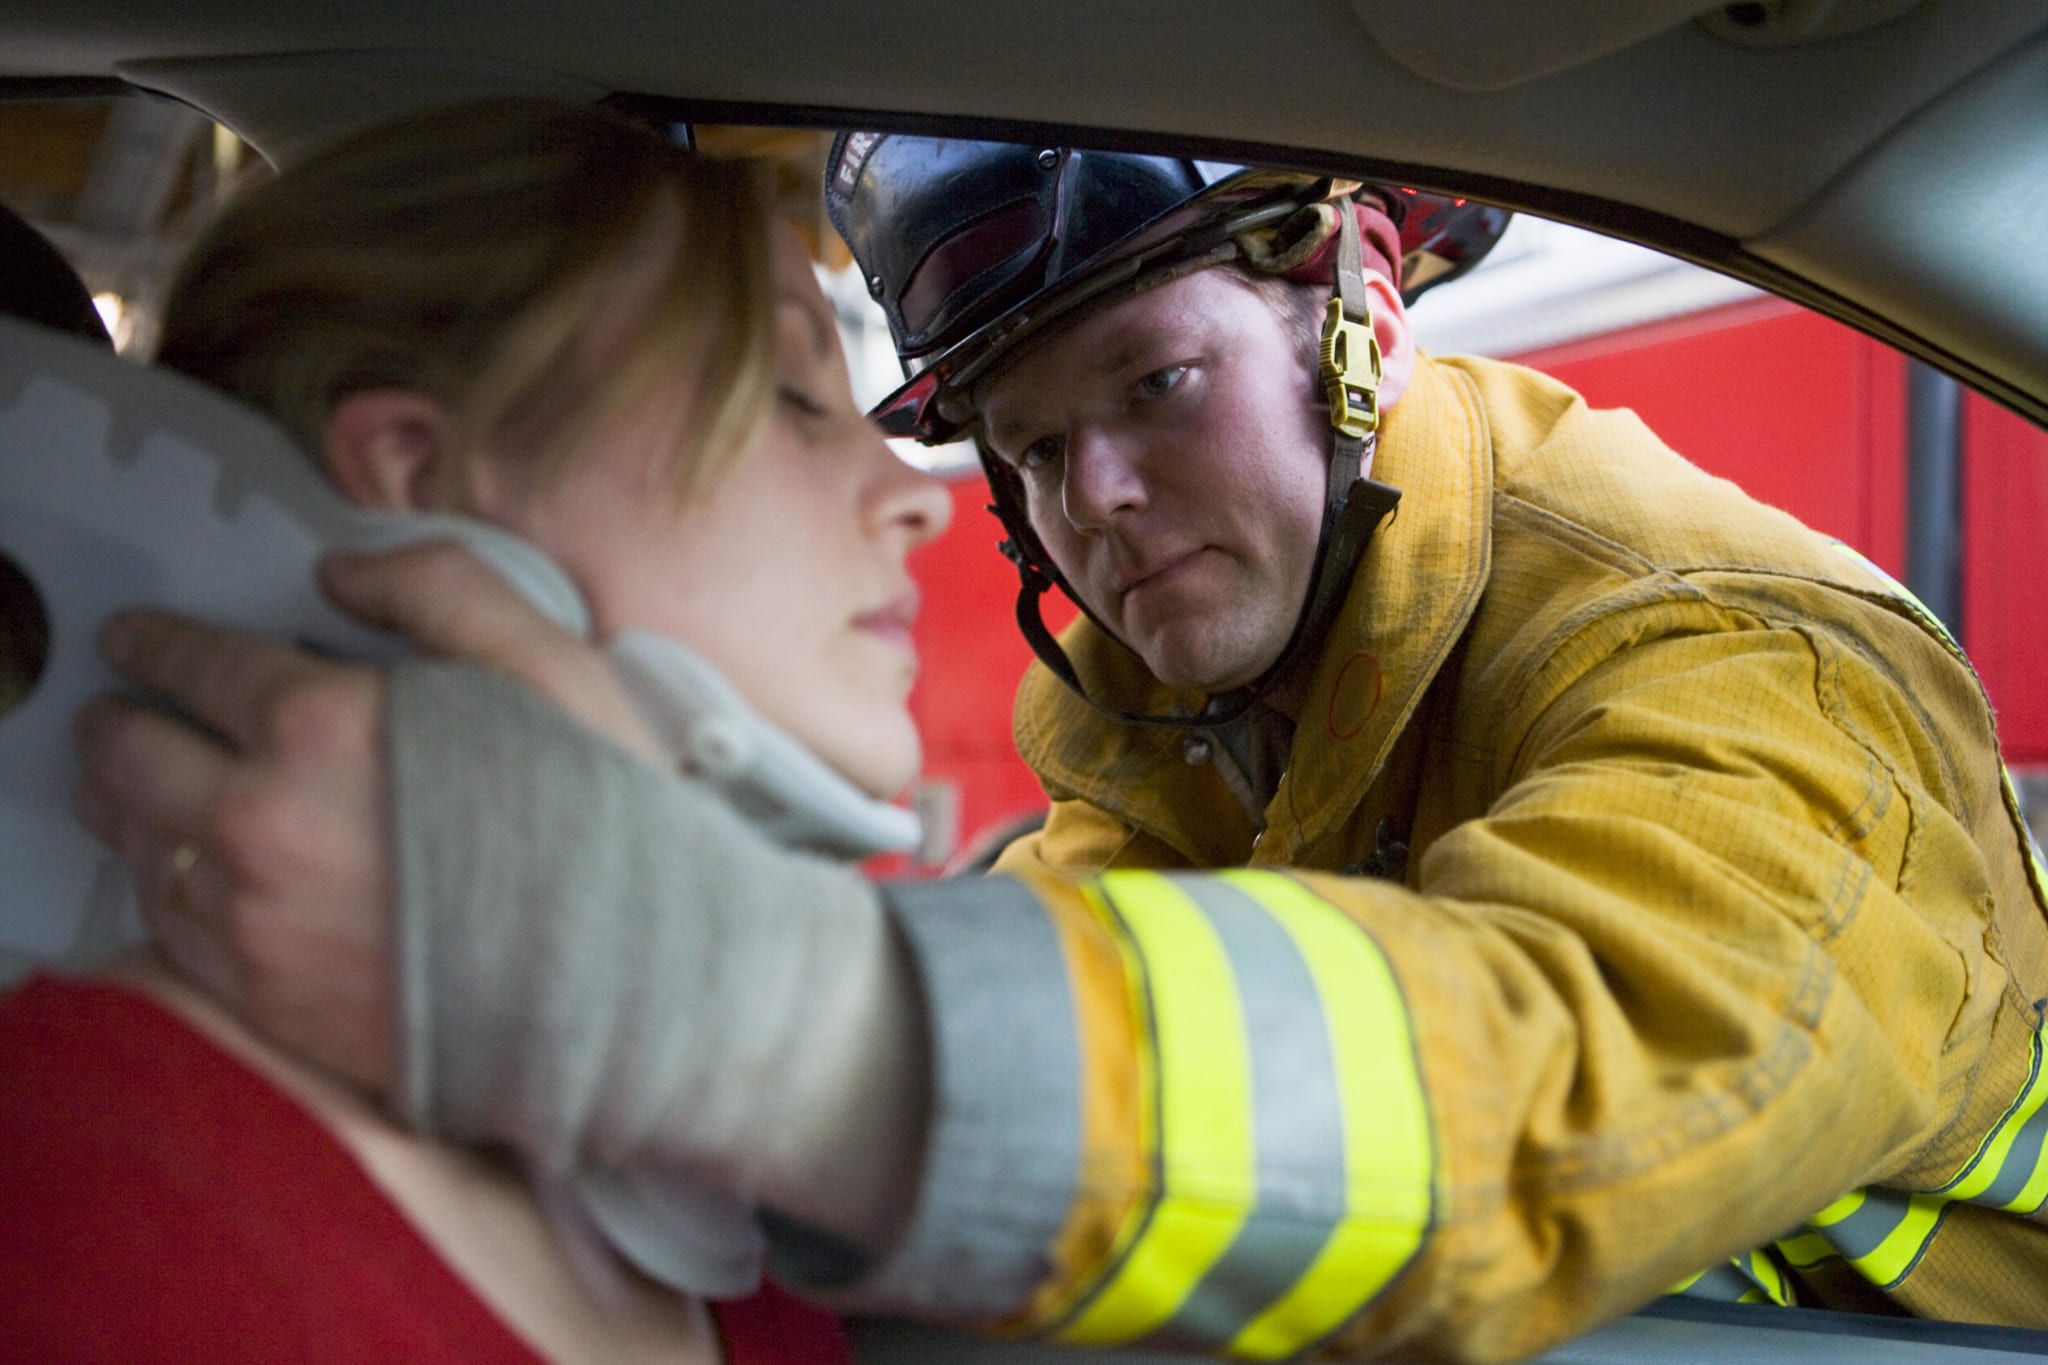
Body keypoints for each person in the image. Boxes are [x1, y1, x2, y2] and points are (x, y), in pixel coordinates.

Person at [68, 133, 2048, 1365]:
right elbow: (1101, 972)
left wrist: (726, 999)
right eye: (1020, 439)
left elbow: (1556, 1064)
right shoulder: (1186, 718)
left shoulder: (1722, 648)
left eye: (1156, 384)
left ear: (1354, 306)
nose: (1078, 495)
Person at [4, 98, 958, 1362]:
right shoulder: (85, 1188)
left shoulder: (716, 1223)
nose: (914, 499)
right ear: (419, 480)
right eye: (790, 395)